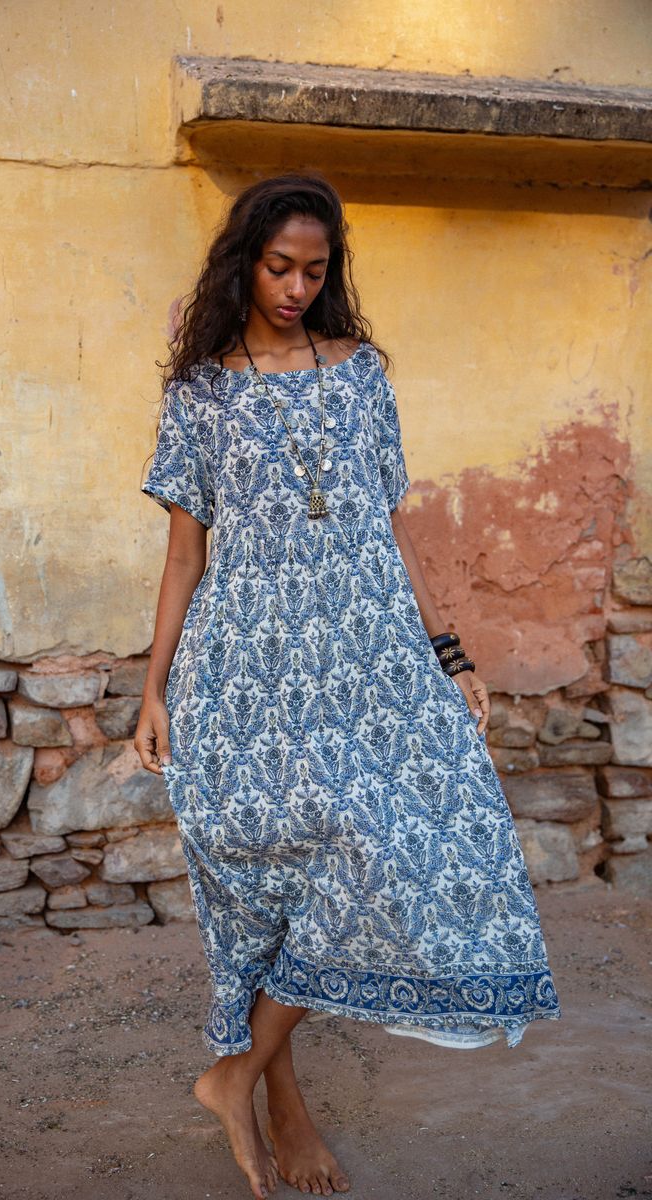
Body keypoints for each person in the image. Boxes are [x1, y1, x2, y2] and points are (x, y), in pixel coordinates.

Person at [135, 172, 562, 1200]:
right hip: (245, 673)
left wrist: (449, 652)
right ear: (244, 264)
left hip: (368, 667)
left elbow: (392, 527)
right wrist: (152, 692)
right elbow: (184, 557)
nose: (295, 288)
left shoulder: (362, 374)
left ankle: (235, 1074)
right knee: (270, 889)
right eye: (278, 267)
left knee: (405, 840)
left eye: (314, 270)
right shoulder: (200, 394)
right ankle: (277, 1102)